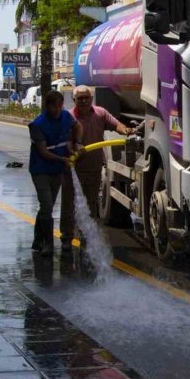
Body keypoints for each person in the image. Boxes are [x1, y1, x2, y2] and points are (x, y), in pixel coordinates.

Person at [60, 85, 135, 254]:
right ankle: (66, 237)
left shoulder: (100, 113)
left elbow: (115, 124)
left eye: (87, 97)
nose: (84, 101)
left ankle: (86, 236)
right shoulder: (69, 118)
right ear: (74, 100)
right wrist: (71, 149)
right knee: (69, 204)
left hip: (93, 169)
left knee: (91, 204)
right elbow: (64, 139)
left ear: (92, 98)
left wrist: (126, 130)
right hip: (73, 169)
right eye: (80, 98)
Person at [28, 90, 82, 259]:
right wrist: (63, 159)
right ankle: (48, 244)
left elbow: (77, 126)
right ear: (47, 106)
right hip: (41, 169)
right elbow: (43, 152)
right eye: (54, 106)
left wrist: (77, 142)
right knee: (46, 204)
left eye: (60, 106)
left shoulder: (66, 117)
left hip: (57, 169)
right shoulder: (38, 125)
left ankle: (38, 240)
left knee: (47, 206)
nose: (58, 110)